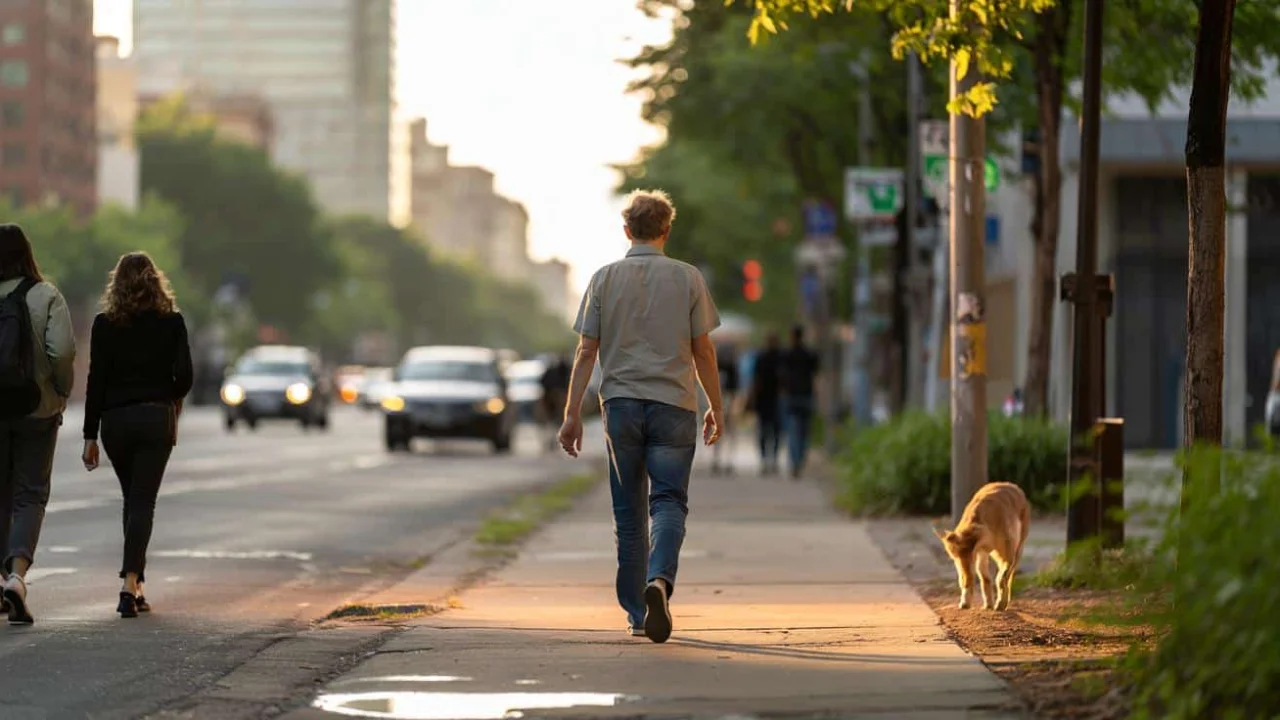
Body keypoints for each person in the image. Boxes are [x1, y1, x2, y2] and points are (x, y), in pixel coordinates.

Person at [558, 189, 722, 644]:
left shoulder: (604, 279)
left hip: (622, 406)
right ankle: (659, 582)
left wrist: (572, 414)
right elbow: (703, 351)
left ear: (627, 230)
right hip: (674, 405)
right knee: (669, 502)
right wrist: (716, 408)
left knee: (628, 512)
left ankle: (635, 612)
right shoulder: (688, 278)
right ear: (667, 231)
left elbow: (586, 350)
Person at [82, 252, 193, 619]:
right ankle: (130, 585)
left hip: (116, 422)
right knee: (143, 501)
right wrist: (170, 395)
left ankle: (136, 583)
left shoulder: (104, 324)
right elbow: (187, 376)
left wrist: (90, 436)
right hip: (155, 417)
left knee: (133, 498)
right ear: (155, 283)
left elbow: (95, 382)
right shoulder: (172, 322)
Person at [0, 224, 75, 625]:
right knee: (29, 495)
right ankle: (16, 577)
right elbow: (61, 350)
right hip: (36, 410)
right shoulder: (45, 295)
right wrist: (60, 391)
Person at [781, 324, 819, 479]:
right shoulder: (809, 354)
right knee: (804, 430)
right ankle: (801, 457)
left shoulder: (787, 354)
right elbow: (816, 374)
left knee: (793, 430)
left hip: (792, 395)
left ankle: (795, 460)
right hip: (806, 395)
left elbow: (782, 375)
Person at [749, 331, 784, 475]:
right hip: (775, 399)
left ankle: (765, 460)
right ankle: (772, 459)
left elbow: (756, 380)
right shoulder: (780, 358)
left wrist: (752, 397)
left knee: (765, 430)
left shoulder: (761, 357)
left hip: (765, 399)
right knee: (774, 431)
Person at [710, 343, 739, 475]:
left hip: (720, 402)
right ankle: (725, 460)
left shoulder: (717, 367)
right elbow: (735, 389)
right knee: (728, 433)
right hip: (726, 402)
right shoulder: (732, 368)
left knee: (719, 432)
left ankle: (719, 460)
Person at [539, 353, 571, 452]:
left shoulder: (557, 371)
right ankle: (553, 440)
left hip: (553, 398)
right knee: (552, 421)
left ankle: (554, 440)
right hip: (552, 398)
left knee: (553, 421)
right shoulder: (558, 372)